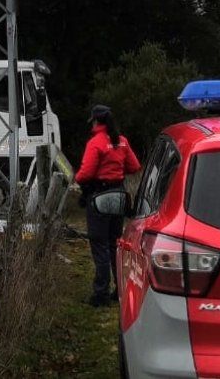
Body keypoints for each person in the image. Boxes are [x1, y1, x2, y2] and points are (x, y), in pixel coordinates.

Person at [75, 104, 141, 307]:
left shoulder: (96, 143)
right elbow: (135, 166)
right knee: (115, 244)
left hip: (100, 198)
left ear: (96, 121)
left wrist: (76, 178)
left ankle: (100, 294)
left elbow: (85, 174)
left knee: (100, 244)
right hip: (119, 196)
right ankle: (120, 290)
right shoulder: (121, 141)